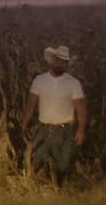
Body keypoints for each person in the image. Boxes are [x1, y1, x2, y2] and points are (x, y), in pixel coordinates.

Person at [21, 44, 86, 184]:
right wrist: (24, 125)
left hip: (63, 131)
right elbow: (30, 105)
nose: (60, 64)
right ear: (51, 60)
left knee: (62, 166)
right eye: (58, 60)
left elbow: (80, 108)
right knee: (32, 161)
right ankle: (29, 190)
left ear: (67, 64)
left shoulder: (73, 83)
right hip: (42, 129)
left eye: (64, 62)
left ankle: (59, 191)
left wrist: (81, 130)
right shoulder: (39, 80)